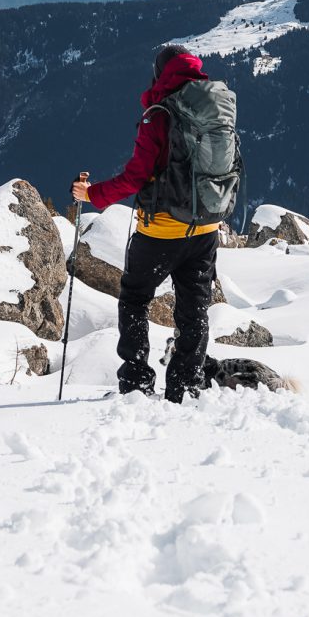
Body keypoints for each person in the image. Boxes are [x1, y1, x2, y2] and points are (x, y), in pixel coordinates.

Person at [72, 45, 239, 403]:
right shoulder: (214, 106)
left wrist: (92, 194)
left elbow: (135, 178)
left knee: (135, 299)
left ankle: (136, 383)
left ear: (160, 73)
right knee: (194, 308)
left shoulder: (159, 115)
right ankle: (186, 385)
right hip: (206, 229)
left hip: (161, 231)